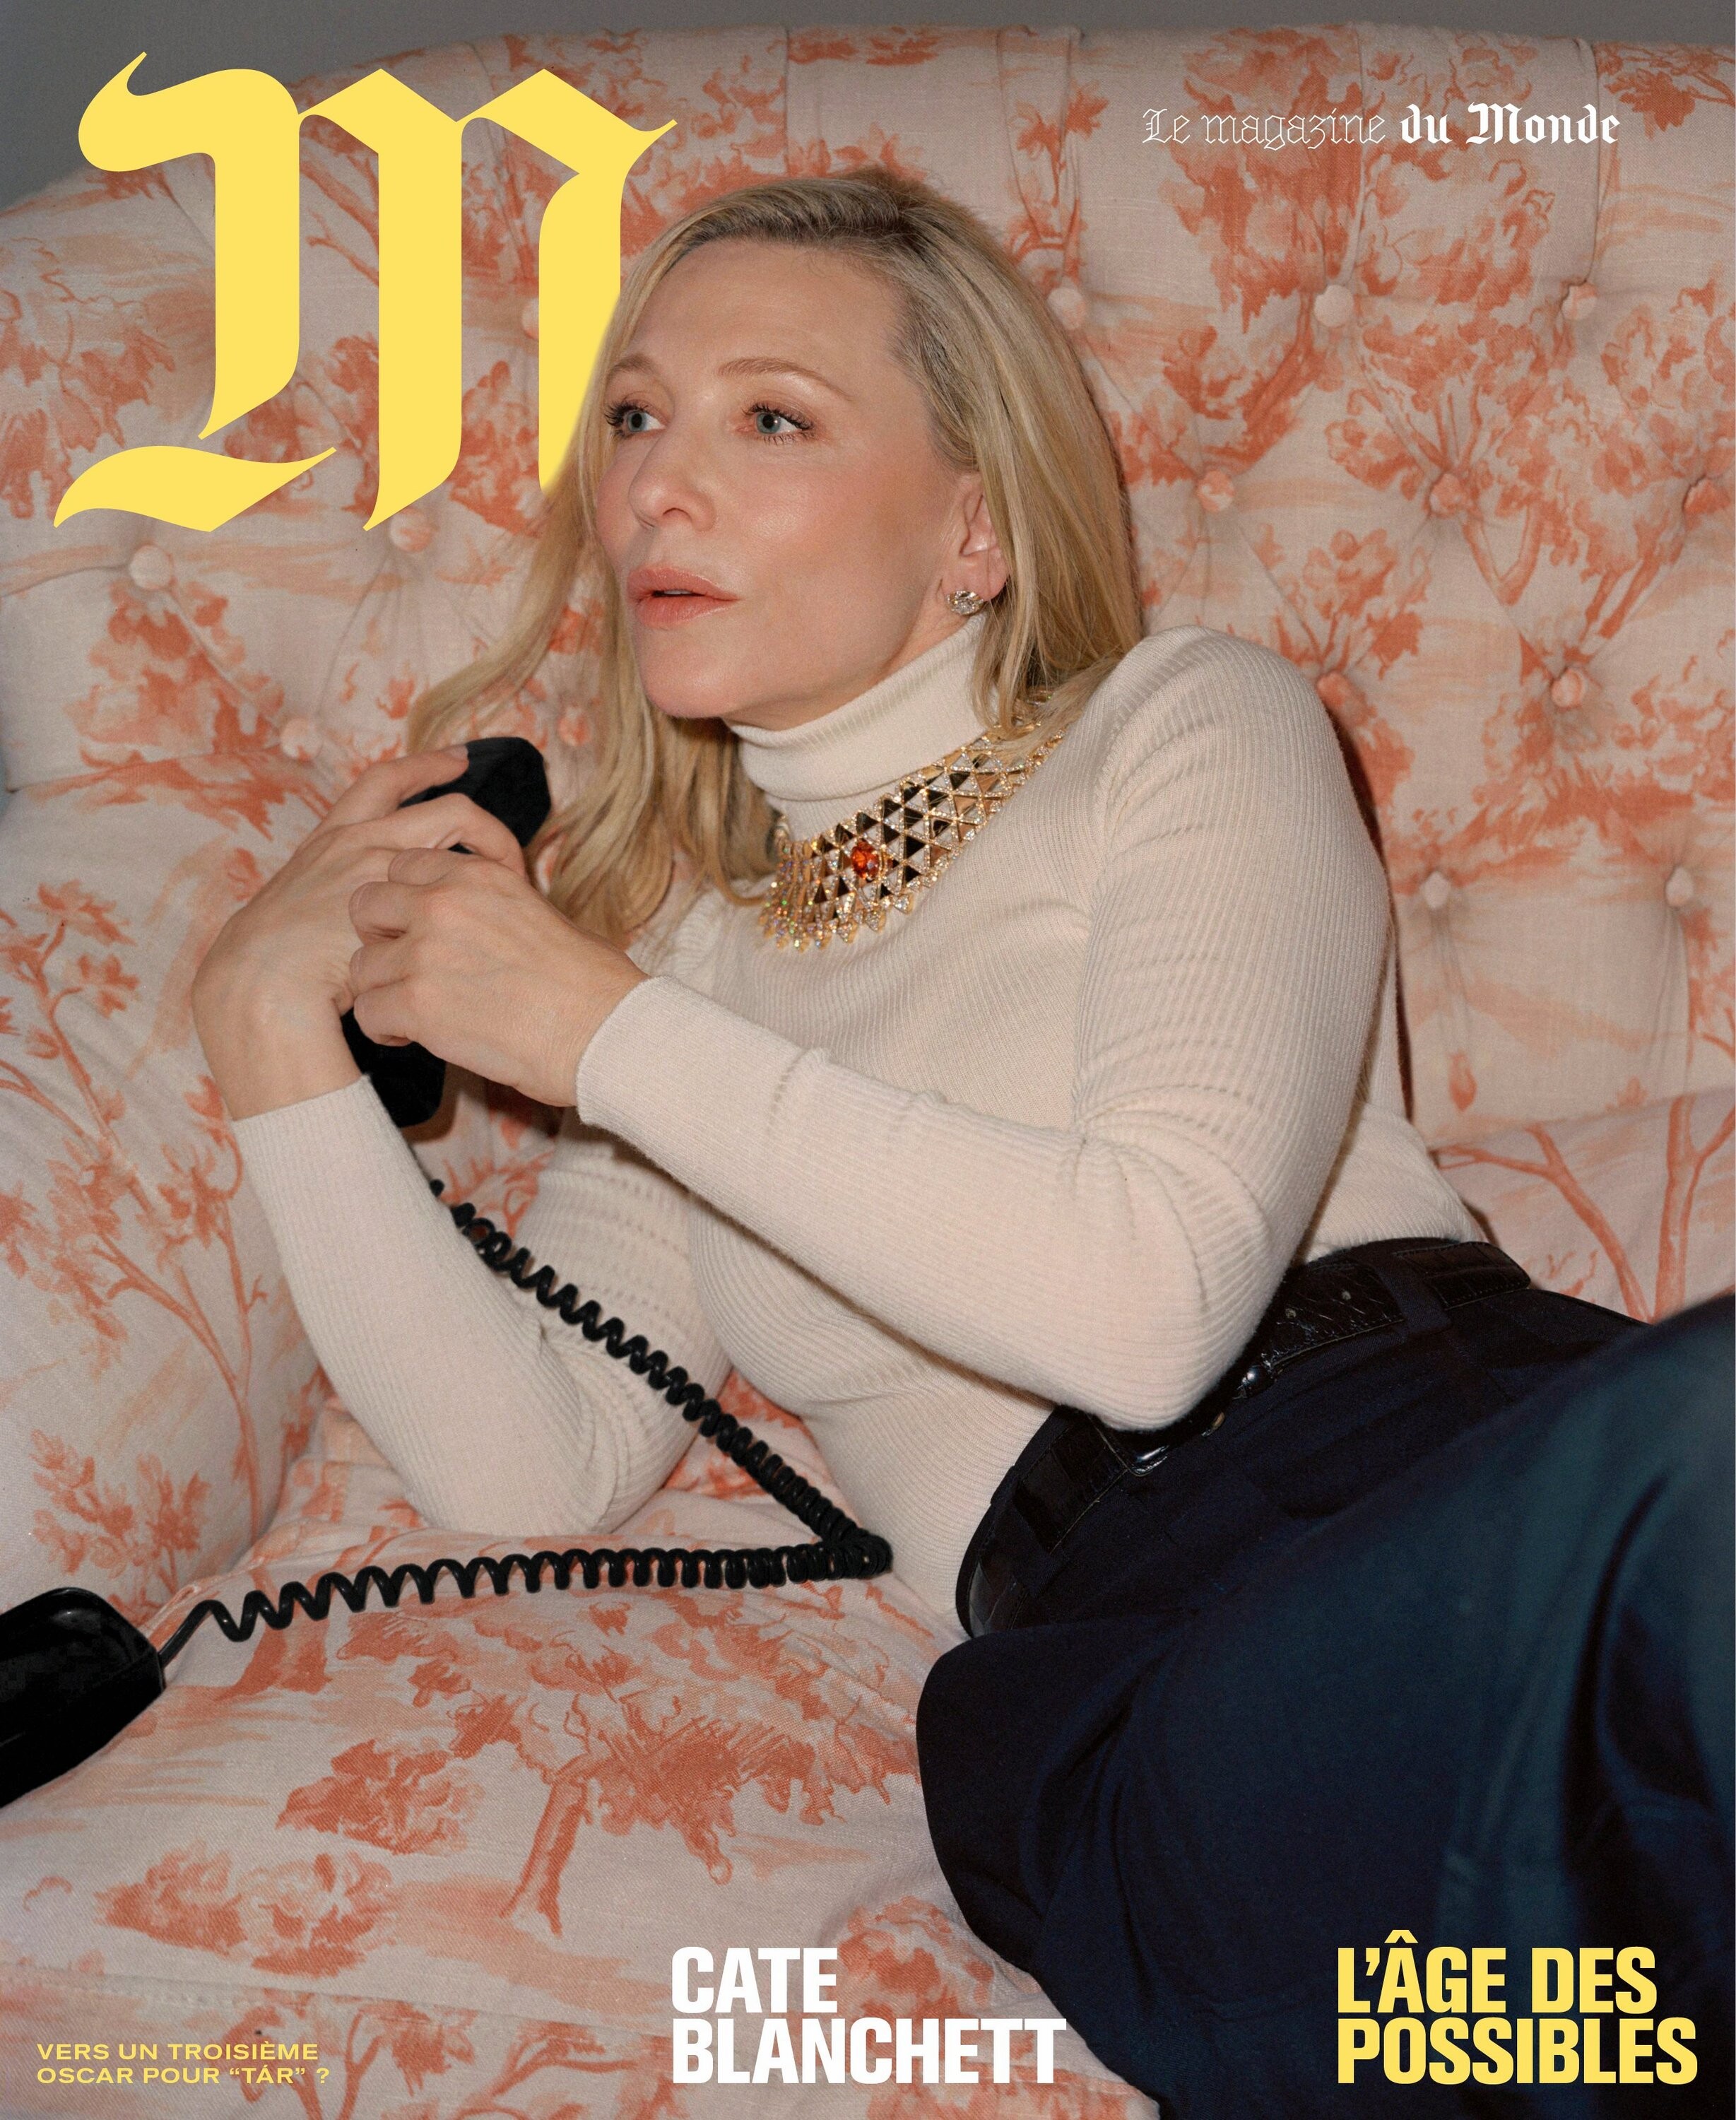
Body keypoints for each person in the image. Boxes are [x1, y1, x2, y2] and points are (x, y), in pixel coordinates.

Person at [191, 168, 1732, 2114]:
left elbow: (1150, 1302)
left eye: (771, 417)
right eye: (635, 416)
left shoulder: (1189, 722)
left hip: (1494, 1474)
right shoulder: (682, 979)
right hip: (1171, 1704)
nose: (655, 486)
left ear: (976, 526)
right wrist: (267, 1031)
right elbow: (525, 1458)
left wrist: (602, 1032)